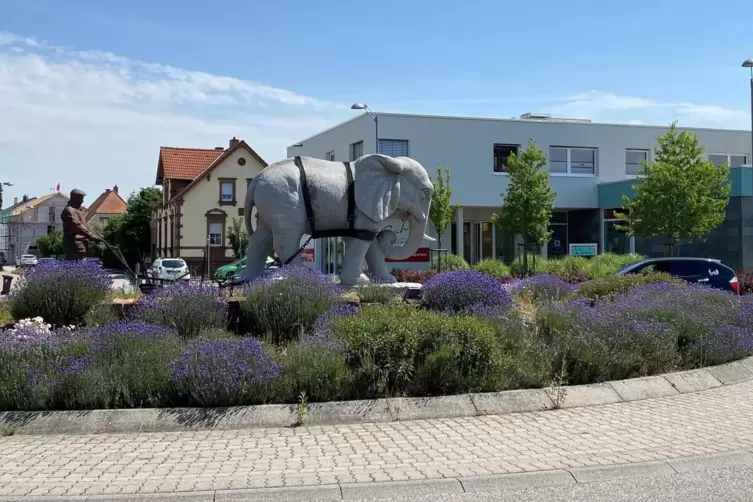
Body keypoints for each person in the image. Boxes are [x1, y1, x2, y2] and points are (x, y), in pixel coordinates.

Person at [61, 188, 103, 261]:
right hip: (74, 245)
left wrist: (96, 235)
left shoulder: (78, 211)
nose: (82, 201)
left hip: (80, 245)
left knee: (79, 268)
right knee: (73, 268)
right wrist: (91, 236)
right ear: (75, 199)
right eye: (81, 199)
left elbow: (85, 226)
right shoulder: (69, 210)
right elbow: (77, 226)